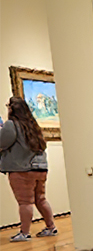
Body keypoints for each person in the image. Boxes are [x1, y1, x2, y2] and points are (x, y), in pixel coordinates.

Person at [0, 96, 57, 241]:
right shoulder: (32, 125)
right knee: (41, 199)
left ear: (12, 109)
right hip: (40, 168)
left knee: (24, 202)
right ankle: (51, 227)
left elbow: (2, 142)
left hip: (22, 169)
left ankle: (24, 233)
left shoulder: (11, 125)